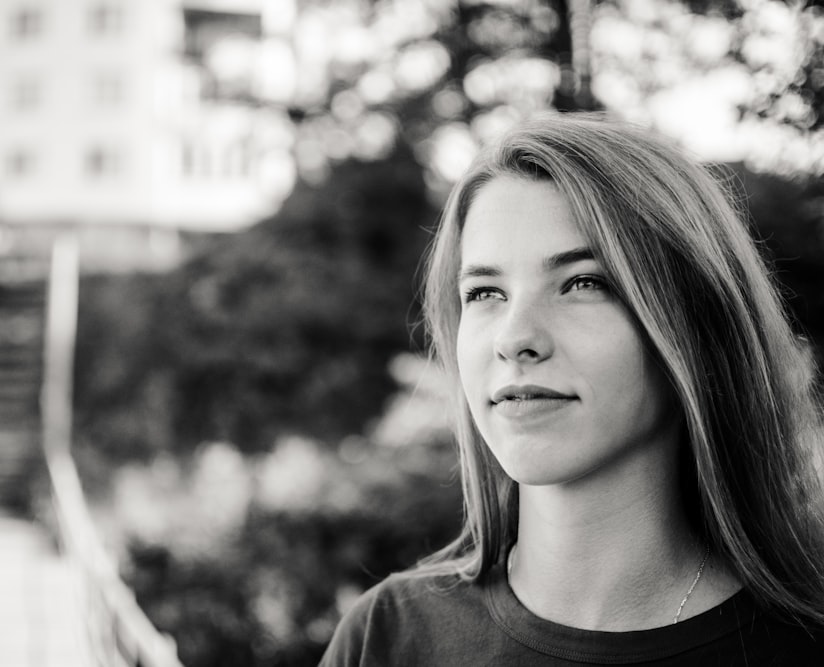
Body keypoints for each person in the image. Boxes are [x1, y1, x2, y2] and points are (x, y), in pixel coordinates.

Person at [319, 112, 824, 665]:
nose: (514, 339)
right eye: (485, 292)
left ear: (694, 326)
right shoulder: (386, 639)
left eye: (583, 282)